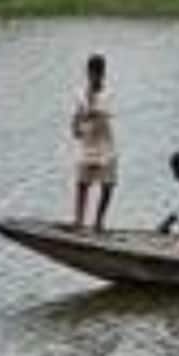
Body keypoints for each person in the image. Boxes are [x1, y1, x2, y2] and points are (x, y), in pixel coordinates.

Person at [71, 54, 116, 232]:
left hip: (106, 143)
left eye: (98, 74)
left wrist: (89, 110)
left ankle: (98, 221)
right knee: (82, 182)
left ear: (103, 74)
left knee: (108, 184)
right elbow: (77, 115)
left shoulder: (109, 94)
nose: (94, 77)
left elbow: (102, 112)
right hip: (88, 142)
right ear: (88, 73)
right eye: (91, 73)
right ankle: (79, 221)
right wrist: (75, 127)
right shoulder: (80, 93)